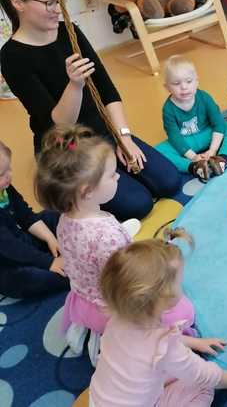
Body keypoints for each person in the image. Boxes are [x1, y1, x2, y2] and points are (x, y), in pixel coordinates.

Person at [0, 0, 180, 222]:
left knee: (169, 181)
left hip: (103, 130)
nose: (57, 10)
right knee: (138, 205)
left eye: (59, 1)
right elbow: (58, 124)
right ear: (18, 2)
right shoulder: (12, 57)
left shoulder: (69, 31)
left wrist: (123, 138)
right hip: (66, 145)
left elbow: (107, 91)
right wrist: (75, 85)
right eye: (48, 3)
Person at [35, 125, 196, 364]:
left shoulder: (65, 219)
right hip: (113, 307)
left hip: (84, 296)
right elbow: (130, 282)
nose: (119, 176)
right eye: (112, 175)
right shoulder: (105, 238)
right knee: (184, 311)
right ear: (87, 191)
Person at [90, 232, 227, 406]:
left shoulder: (118, 318)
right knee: (203, 388)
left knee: (170, 371)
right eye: (179, 283)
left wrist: (195, 343)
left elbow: (152, 351)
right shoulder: (165, 346)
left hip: (100, 400)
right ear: (166, 296)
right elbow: (204, 375)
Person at [155, 55, 227, 182]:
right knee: (158, 151)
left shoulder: (204, 97)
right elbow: (175, 137)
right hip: (185, 142)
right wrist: (193, 157)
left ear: (197, 81)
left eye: (189, 81)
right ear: (167, 87)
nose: (184, 87)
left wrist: (212, 150)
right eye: (176, 83)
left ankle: (221, 159)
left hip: (208, 134)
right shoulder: (168, 109)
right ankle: (195, 167)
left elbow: (218, 124)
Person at [0, 140, 69, 298]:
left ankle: (85, 242)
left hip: (21, 240)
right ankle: (76, 273)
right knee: (30, 279)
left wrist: (50, 238)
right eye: (1, 174)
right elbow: (12, 248)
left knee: (55, 215)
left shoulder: (4, 187)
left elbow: (26, 216)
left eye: (9, 168)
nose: (9, 175)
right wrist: (49, 262)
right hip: (7, 264)